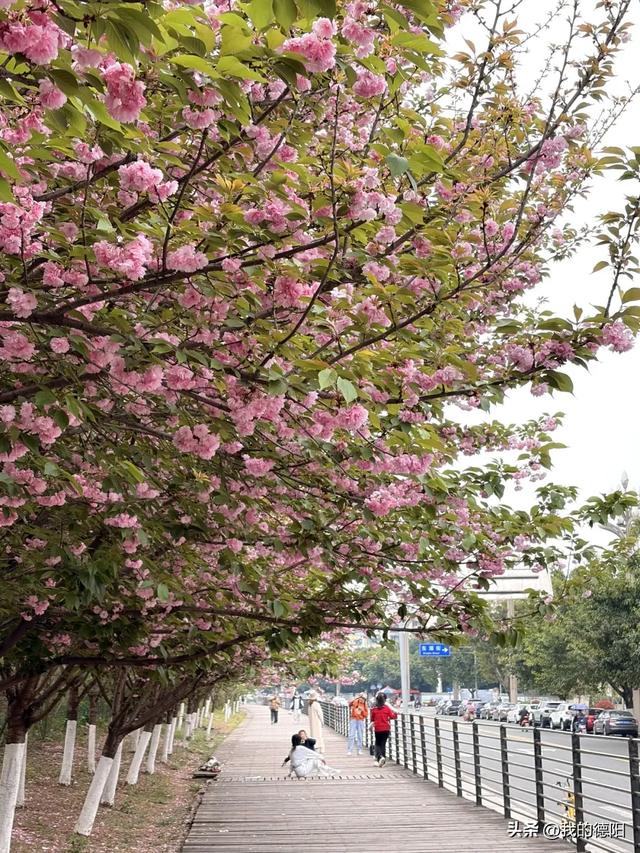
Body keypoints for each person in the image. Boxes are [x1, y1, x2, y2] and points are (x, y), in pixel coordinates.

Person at [369, 692, 397, 767]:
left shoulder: (374, 710)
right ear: (384, 701)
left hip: (378, 729)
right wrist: (395, 714)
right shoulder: (387, 708)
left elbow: (372, 719)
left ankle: (380, 757)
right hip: (386, 729)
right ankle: (383, 760)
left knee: (377, 744)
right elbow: (392, 716)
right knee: (383, 744)